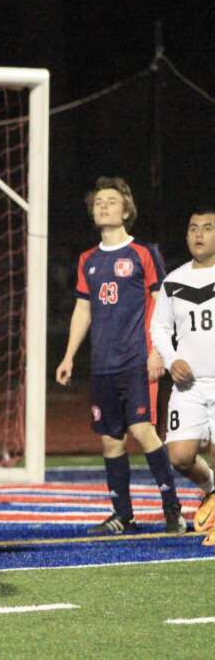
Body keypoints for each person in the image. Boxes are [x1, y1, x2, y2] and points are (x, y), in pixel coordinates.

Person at [56, 177, 184, 534]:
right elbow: (83, 310)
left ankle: (172, 508)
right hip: (102, 365)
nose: (103, 206)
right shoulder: (88, 260)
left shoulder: (143, 253)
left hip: (136, 360)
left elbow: (162, 304)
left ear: (126, 210)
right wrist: (68, 357)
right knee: (111, 439)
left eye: (111, 201)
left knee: (143, 430)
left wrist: (158, 351)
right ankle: (122, 514)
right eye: (98, 202)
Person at [150, 205, 215, 537]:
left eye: (207, 228)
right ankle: (212, 490)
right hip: (188, 387)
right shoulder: (173, 281)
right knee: (179, 456)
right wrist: (171, 358)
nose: (199, 234)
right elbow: (159, 327)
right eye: (193, 228)